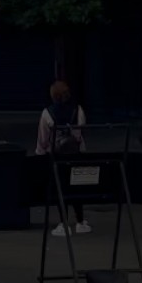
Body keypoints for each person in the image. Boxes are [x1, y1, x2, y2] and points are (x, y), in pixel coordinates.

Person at [35, 80, 91, 236]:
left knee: (60, 188)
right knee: (77, 187)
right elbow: (81, 132)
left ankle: (64, 224)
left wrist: (40, 155)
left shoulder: (47, 113)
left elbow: (42, 140)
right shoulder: (78, 110)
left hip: (57, 158)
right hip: (76, 155)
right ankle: (80, 222)